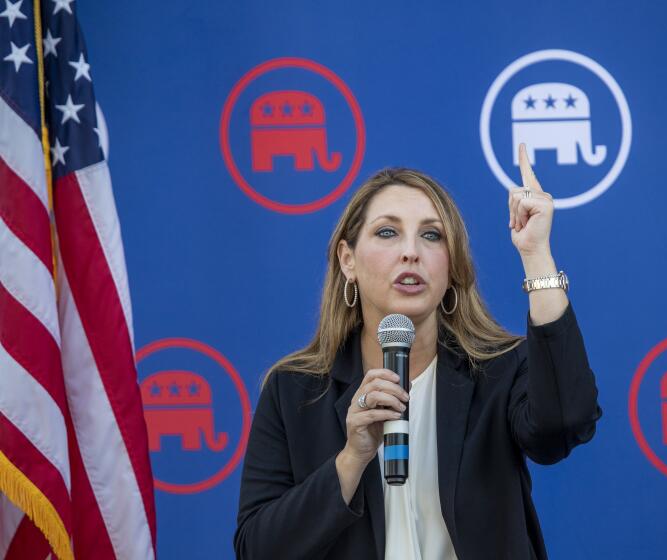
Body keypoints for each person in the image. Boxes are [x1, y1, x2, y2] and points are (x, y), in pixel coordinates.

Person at [234, 144, 602, 559]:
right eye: (387, 232)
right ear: (347, 259)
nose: (411, 251)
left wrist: (536, 255)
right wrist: (352, 459)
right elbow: (257, 550)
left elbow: (566, 423)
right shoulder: (294, 392)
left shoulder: (499, 371)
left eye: (431, 235)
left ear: (452, 265)